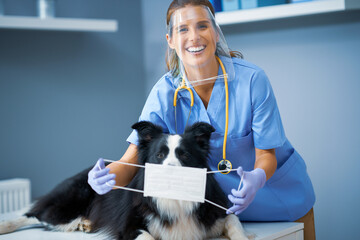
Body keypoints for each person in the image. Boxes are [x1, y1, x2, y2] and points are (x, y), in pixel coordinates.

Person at [87, 0, 316, 239]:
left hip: (279, 203)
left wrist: (257, 178)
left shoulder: (252, 80)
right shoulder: (164, 93)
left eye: (202, 26)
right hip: (216, 214)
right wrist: (105, 178)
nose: (194, 37)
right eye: (183, 29)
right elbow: (131, 160)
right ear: (171, 40)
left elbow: (266, 156)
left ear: (216, 33)